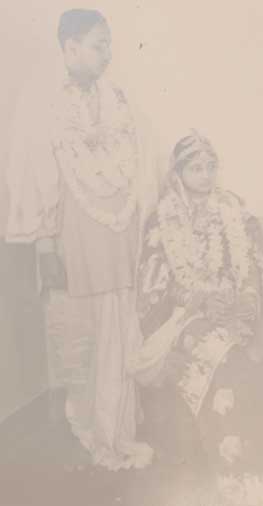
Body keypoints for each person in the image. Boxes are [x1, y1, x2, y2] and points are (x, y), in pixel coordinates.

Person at [5, 8, 160, 470]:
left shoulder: (119, 98)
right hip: (73, 236)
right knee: (82, 333)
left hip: (119, 234)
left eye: (110, 44)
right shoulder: (43, 104)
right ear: (69, 49)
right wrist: (45, 245)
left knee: (119, 326)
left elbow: (142, 164)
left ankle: (118, 427)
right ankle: (89, 428)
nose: (108, 54)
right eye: (98, 44)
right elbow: (33, 177)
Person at [129, 132, 263, 505]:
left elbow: (255, 268)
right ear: (178, 173)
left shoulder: (234, 210)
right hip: (185, 318)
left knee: (243, 356)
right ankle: (225, 472)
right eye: (196, 168)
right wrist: (196, 302)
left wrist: (245, 299)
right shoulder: (160, 219)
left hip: (231, 310)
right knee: (216, 355)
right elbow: (152, 288)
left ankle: (255, 472)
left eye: (211, 167)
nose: (205, 175)